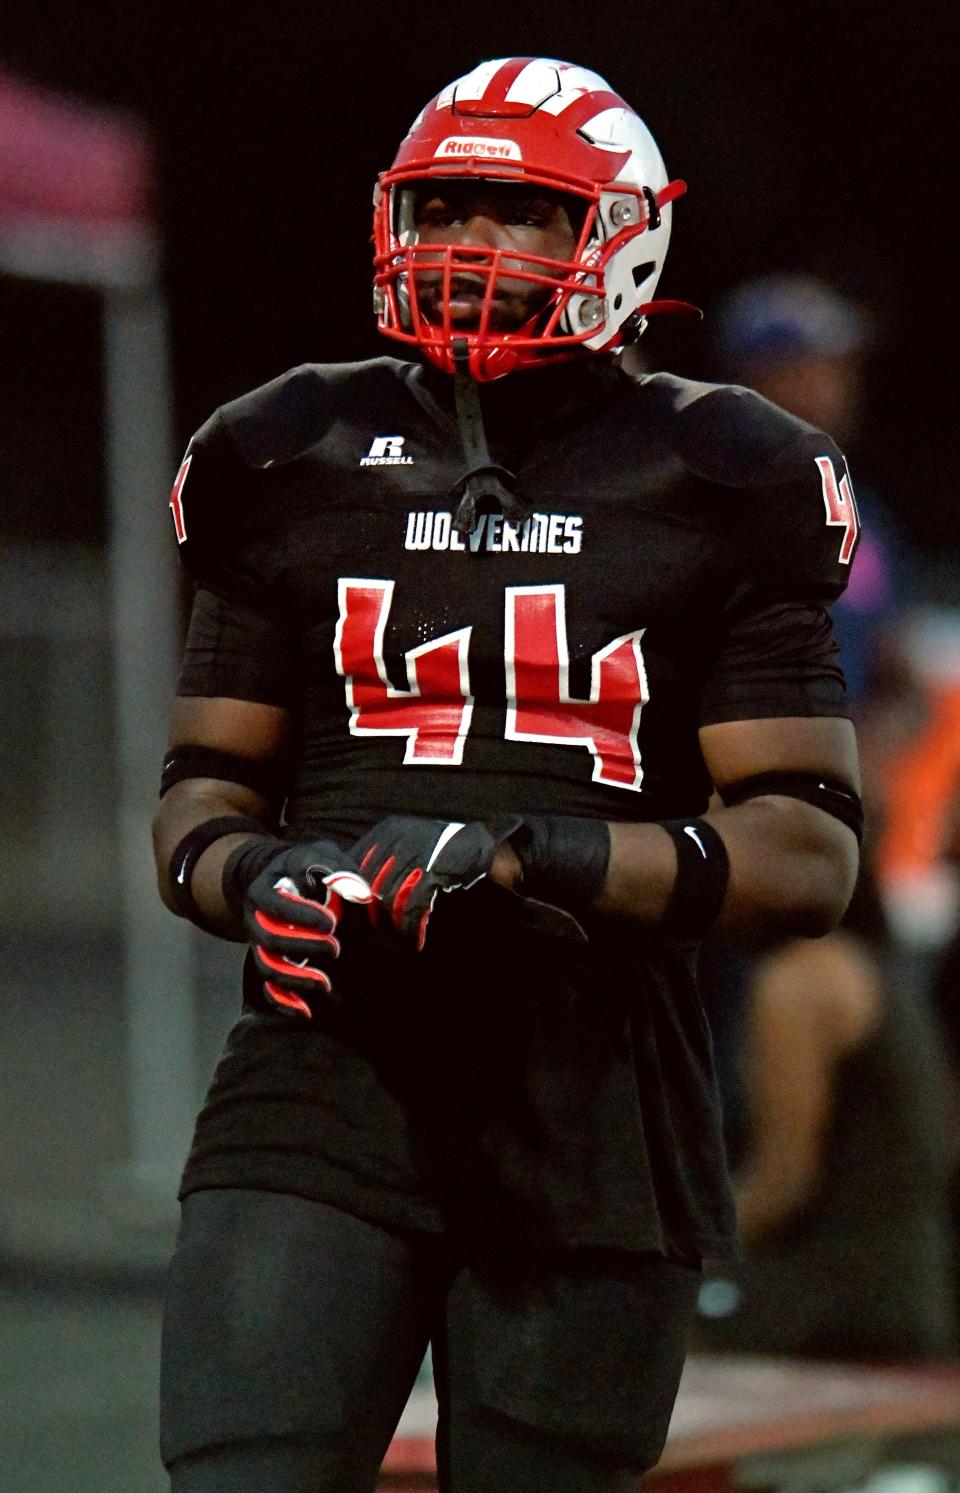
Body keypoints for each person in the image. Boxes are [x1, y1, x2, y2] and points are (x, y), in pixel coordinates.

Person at [154, 57, 863, 1493]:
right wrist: (254, 874)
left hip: (592, 1094)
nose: (469, 247)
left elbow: (808, 849)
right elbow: (198, 793)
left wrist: (538, 850)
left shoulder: (722, 471)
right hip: (325, 1068)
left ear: (622, 235)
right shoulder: (286, 448)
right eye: (446, 207)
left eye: (524, 212)